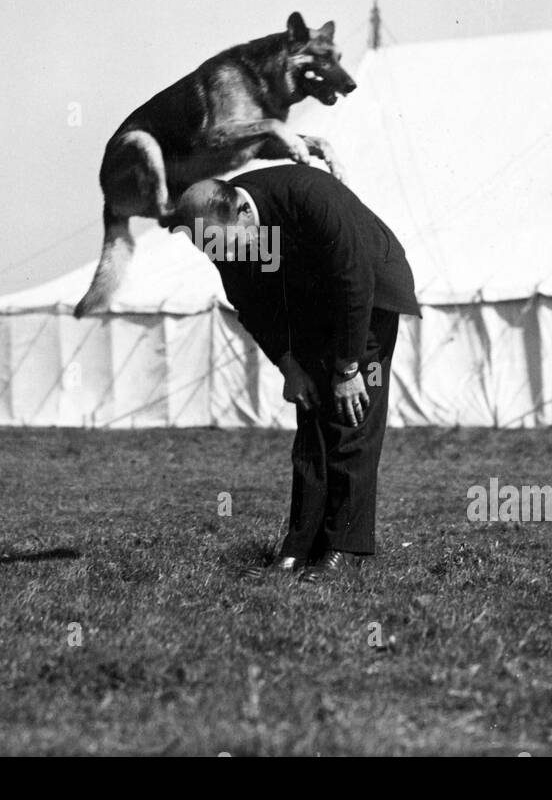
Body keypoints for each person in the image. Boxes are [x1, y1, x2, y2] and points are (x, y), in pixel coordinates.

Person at [167, 163, 420, 582]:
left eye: (228, 247)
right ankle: (299, 548)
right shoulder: (220, 235)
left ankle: (344, 549)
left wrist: (348, 368)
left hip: (369, 295)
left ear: (244, 214)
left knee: (351, 418)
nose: (226, 257)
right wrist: (290, 367)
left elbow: (354, 283)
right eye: (214, 250)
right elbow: (251, 305)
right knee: (312, 425)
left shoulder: (310, 196)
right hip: (311, 303)